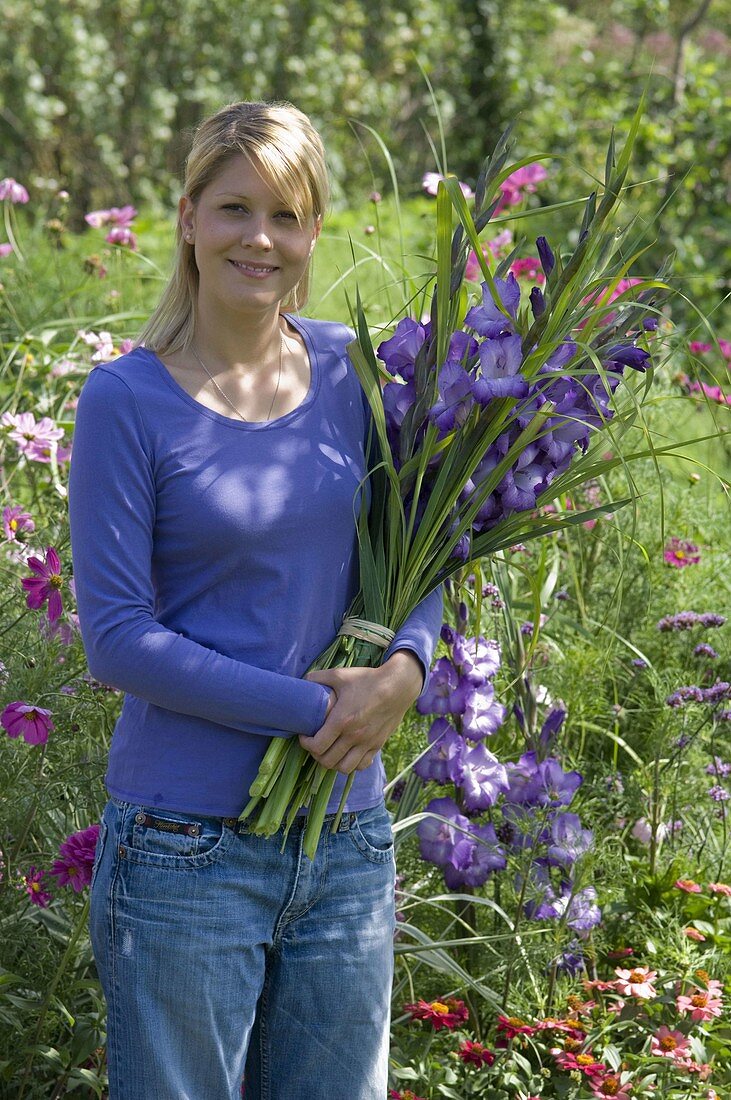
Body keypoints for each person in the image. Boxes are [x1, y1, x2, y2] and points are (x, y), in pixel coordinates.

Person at [68, 100, 443, 1100]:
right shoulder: (126, 399)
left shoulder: (353, 372)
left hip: (345, 837)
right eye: (235, 208)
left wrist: (405, 669)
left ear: (313, 230)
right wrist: (322, 711)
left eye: (285, 214)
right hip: (186, 848)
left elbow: (426, 539)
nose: (259, 237)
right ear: (187, 216)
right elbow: (117, 639)